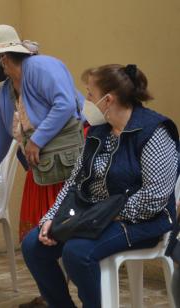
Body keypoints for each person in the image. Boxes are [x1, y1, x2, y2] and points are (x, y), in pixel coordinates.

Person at [21, 64, 179, 308]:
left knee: (77, 251)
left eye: (90, 95)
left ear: (109, 100)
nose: (86, 101)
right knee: (33, 244)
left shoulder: (154, 131)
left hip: (142, 220)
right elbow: (75, 181)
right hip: (92, 215)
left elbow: (154, 196)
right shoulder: (98, 131)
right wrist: (53, 217)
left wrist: (102, 216)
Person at [0, 25, 84, 244]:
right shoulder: (3, 94)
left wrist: (36, 141)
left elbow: (65, 104)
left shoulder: (42, 67)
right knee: (37, 238)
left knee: (69, 233)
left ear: (2, 57)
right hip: (41, 166)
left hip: (70, 160)